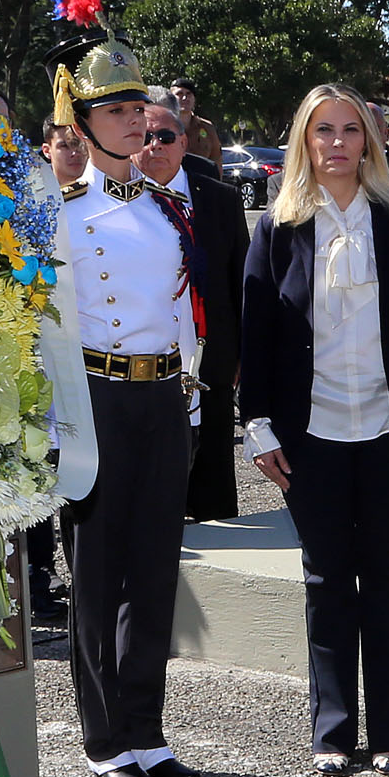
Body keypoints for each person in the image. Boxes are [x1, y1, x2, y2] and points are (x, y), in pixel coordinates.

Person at [243, 85, 389, 775]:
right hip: (310, 433)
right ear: (304, 143)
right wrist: (257, 424)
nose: (337, 143)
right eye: (323, 131)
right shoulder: (277, 228)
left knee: (387, 575)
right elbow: (256, 332)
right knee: (326, 577)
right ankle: (333, 732)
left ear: (369, 140)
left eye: (350, 130)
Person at [49, 5, 208, 777]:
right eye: (115, 109)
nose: (134, 120)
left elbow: (182, 312)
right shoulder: (62, 214)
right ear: (81, 122)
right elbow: (42, 326)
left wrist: (192, 406)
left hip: (161, 398)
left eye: (138, 107)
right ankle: (104, 736)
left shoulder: (166, 207)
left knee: (154, 575)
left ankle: (146, 729)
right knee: (98, 577)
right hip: (97, 400)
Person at [141, 83, 249, 529]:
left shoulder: (219, 199)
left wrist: (242, 355)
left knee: (213, 486)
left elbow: (242, 280)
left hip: (211, 359)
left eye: (165, 136)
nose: (155, 146)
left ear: (184, 142)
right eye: (145, 136)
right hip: (145, 362)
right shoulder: (115, 204)